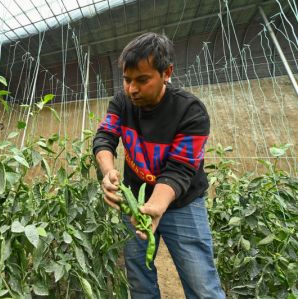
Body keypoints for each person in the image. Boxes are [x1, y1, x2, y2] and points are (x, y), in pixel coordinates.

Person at [92, 32, 225, 298]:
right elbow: (104, 137)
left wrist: (158, 204)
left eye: (142, 80)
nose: (132, 89)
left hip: (182, 203)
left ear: (166, 72)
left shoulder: (190, 111)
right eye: (127, 80)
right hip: (136, 203)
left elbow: (180, 169)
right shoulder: (121, 103)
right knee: (139, 280)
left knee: (202, 285)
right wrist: (108, 173)